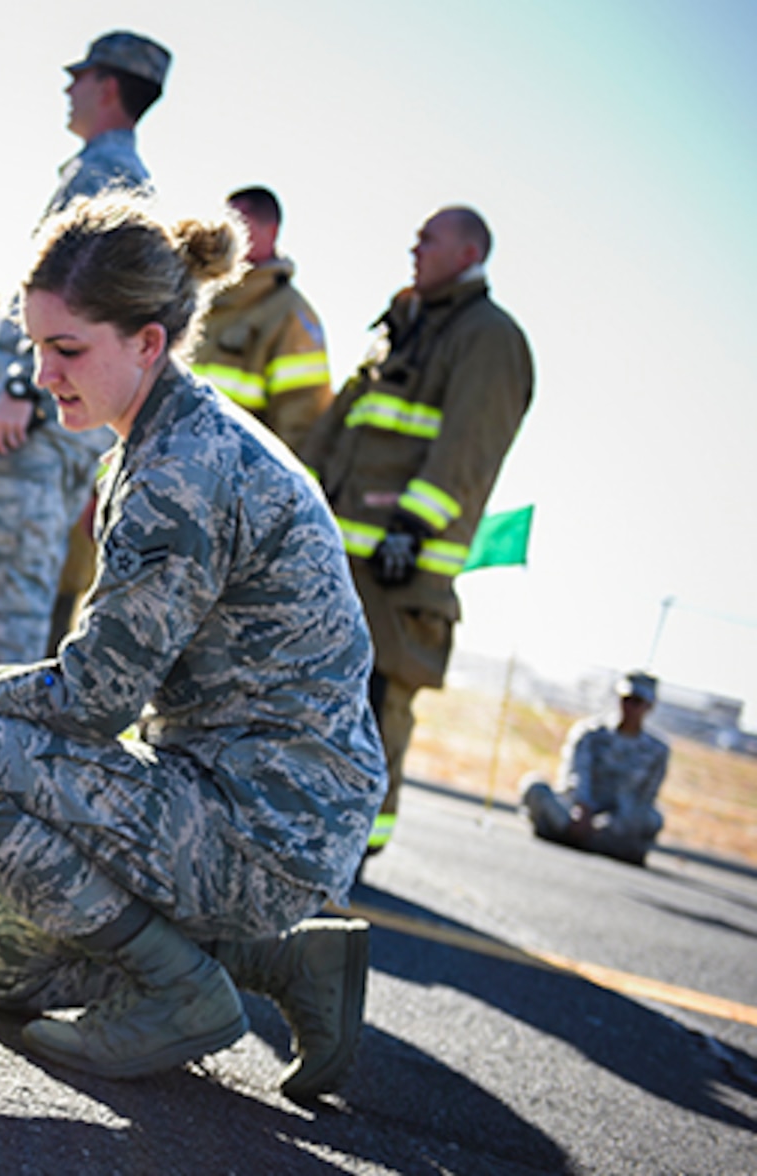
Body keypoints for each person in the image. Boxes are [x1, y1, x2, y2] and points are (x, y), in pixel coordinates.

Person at [0, 194, 385, 1098]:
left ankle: (183, 991)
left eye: (67, 350)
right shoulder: (163, 438)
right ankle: (283, 963)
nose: (43, 373)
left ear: (148, 342)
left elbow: (91, 701)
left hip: (264, 826)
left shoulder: (183, 472)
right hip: (232, 801)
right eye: (35, 347)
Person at [0, 31, 168, 667]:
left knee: (1, 614)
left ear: (107, 88)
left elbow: (73, 303)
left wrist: (19, 390)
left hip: (30, 426)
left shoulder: (102, 177)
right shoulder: (113, 176)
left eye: (79, 77)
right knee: (3, 605)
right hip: (46, 424)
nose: (68, 88)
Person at [299, 205, 535, 857]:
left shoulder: (488, 337)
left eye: (429, 237)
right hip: (341, 556)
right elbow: (340, 424)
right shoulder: (399, 327)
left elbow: (469, 447)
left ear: (467, 254)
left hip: (399, 565)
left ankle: (355, 850)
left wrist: (413, 527)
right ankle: (308, 841)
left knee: (376, 704)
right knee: (314, 696)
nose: (414, 245)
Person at [189, 186, 332, 455]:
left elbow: (300, 421)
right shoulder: (196, 300)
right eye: (223, 224)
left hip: (230, 485)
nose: (226, 236)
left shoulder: (291, 316)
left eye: (239, 225)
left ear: (272, 233)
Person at [521, 673, 669, 866]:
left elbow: (645, 798)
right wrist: (583, 812)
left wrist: (604, 824)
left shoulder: (657, 750)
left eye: (637, 702)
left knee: (653, 819)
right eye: (626, 700)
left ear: (649, 706)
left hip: (614, 825)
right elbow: (575, 776)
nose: (629, 707)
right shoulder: (590, 733)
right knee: (534, 786)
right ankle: (581, 839)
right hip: (573, 815)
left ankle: (579, 840)